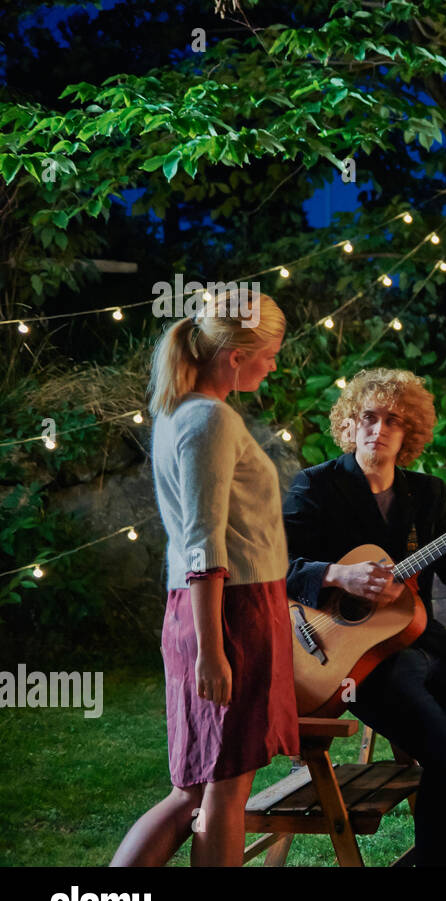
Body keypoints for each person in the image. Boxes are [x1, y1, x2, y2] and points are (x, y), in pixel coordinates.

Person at [281, 368, 446, 867]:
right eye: (368, 418)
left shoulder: (427, 493)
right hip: (353, 661)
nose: (378, 429)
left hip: (425, 642)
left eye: (392, 420)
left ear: (409, 432)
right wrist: (339, 576)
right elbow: (273, 569)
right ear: (351, 425)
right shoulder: (315, 487)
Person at [113, 291, 298, 867]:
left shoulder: (183, 413)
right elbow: (203, 541)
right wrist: (213, 652)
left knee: (196, 788)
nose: (273, 365)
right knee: (221, 791)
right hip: (229, 612)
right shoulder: (207, 419)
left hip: (228, 606)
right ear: (235, 355)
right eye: (267, 354)